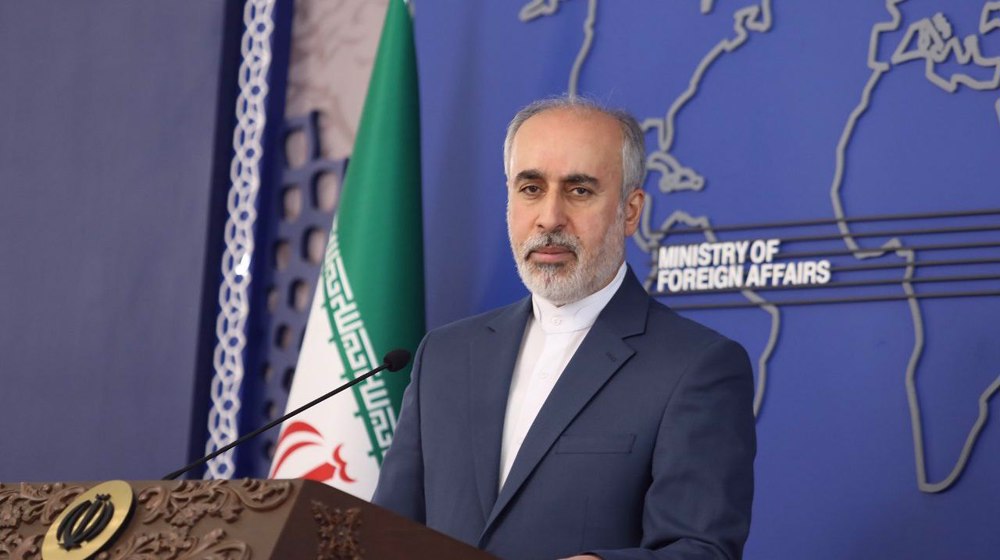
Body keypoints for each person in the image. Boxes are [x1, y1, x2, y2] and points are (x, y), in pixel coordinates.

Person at [373, 96, 756, 560]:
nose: (550, 218)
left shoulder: (696, 366)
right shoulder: (446, 355)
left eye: (579, 191)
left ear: (630, 211)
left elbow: (702, 550)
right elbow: (384, 532)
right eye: (531, 188)